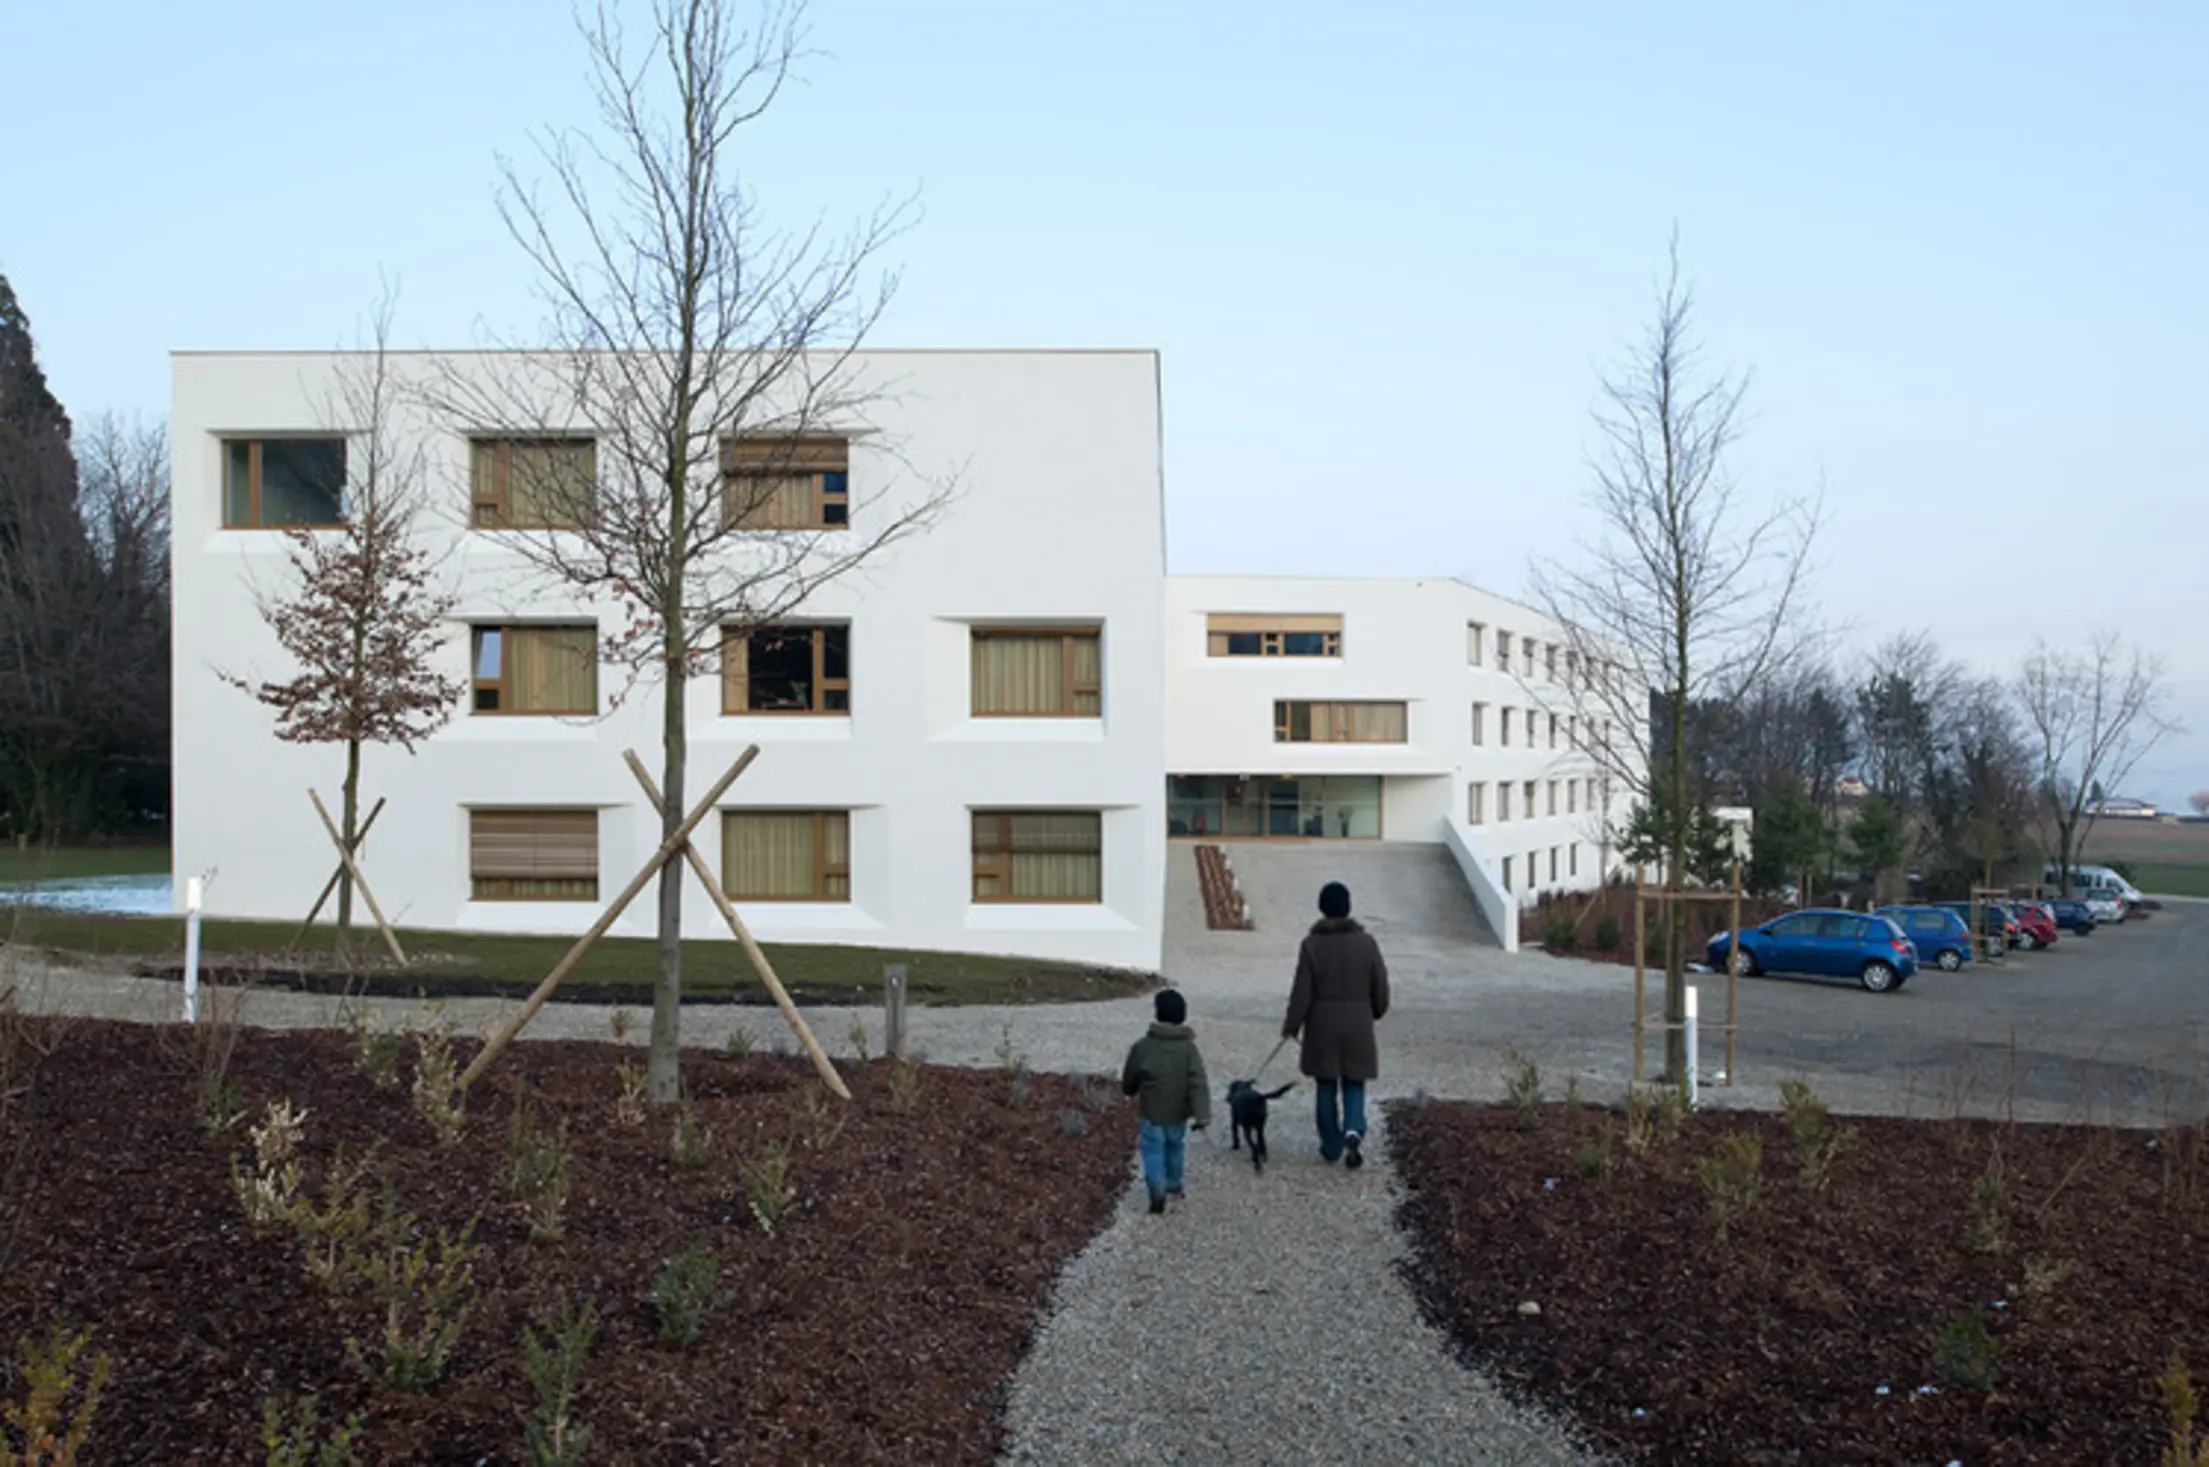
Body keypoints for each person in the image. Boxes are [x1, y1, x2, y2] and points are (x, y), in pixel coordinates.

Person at [1281, 881, 1391, 1168]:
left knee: (1326, 1084)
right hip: (1358, 1022)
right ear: (1348, 908)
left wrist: (1292, 1025)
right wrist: (1375, 1011)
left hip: (1322, 1024)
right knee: (1355, 1082)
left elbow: (1301, 991)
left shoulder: (1312, 945)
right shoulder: (1367, 943)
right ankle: (1353, 1129)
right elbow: (1380, 985)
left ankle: (1331, 1145)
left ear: (1322, 908)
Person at [1121, 988, 1212, 1214]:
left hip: (1151, 1110)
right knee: (1175, 1147)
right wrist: (1202, 1114)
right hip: (1178, 1113)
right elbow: (1198, 1081)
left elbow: (1131, 1073)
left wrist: (1129, 1089)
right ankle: (1173, 1183)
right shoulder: (1189, 1049)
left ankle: (1156, 1185)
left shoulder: (1143, 1046)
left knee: (1152, 1149)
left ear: (1157, 1014)